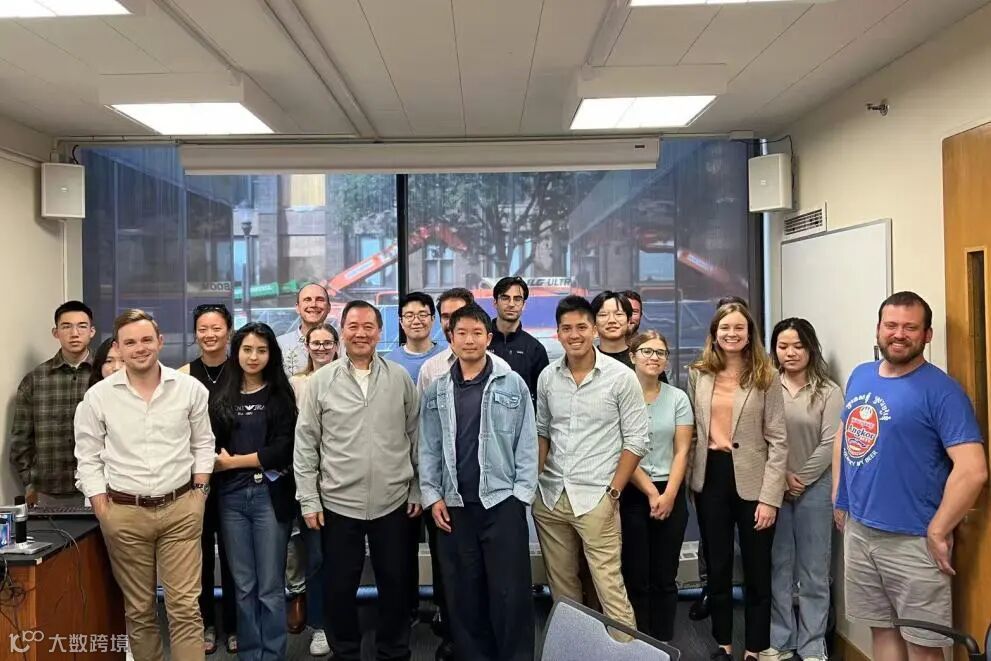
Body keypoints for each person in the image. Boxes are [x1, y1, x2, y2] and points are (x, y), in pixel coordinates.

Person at [833, 292, 987, 661]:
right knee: (882, 630)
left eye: (910, 327)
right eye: (891, 325)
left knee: (924, 646)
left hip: (913, 540)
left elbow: (973, 469)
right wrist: (840, 497)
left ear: (927, 335)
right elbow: (844, 434)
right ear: (878, 329)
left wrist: (938, 529)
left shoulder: (943, 391)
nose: (898, 334)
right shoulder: (861, 374)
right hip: (860, 532)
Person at [74, 309, 214, 661]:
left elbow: (203, 443)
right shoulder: (98, 397)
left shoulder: (189, 389)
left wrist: (199, 492)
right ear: (119, 349)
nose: (140, 348)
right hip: (124, 513)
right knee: (139, 610)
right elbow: (87, 456)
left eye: (147, 339)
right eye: (131, 342)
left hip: (181, 509)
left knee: (185, 608)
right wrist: (101, 506)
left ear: (160, 341)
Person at [294, 301, 421, 661]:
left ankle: (393, 651)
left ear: (380, 332)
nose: (361, 333)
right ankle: (346, 651)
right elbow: (306, 444)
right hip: (337, 503)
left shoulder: (399, 378)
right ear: (342, 332)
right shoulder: (321, 382)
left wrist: (417, 488)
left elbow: (416, 437)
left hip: (393, 501)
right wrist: (309, 498)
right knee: (339, 587)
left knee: (396, 584)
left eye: (368, 327)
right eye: (353, 326)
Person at [420, 304, 538, 661]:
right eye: (462, 333)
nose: (469, 340)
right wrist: (432, 496)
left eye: (476, 333)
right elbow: (428, 447)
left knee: (510, 594)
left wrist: (520, 497)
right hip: (454, 508)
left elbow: (527, 443)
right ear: (450, 339)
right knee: (463, 595)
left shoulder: (511, 383)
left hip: (501, 504)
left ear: (488, 338)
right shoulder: (437, 390)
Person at [532, 295, 649, 634]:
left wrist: (613, 493)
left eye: (581, 327)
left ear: (594, 329)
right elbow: (543, 432)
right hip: (551, 497)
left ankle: (626, 654)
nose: (574, 335)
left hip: (597, 498)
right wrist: (536, 482)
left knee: (610, 590)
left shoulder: (621, 377)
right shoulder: (548, 377)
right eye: (566, 328)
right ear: (557, 333)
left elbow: (636, 440)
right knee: (563, 594)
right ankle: (574, 651)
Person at [687, 301, 787, 661]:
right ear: (714, 333)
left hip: (755, 481)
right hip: (710, 477)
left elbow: (778, 440)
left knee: (757, 568)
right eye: (725, 328)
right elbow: (694, 432)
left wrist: (770, 498)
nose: (732, 334)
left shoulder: (766, 375)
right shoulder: (699, 373)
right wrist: (692, 480)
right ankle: (724, 643)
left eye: (739, 328)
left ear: (749, 333)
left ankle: (755, 647)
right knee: (718, 566)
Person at [210, 322, 298, 661]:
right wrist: (229, 464)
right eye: (247, 349)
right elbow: (212, 446)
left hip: (268, 496)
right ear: (236, 353)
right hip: (230, 499)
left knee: (270, 585)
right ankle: (249, 653)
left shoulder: (279, 395)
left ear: (271, 354)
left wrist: (234, 462)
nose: (253, 356)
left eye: (261, 350)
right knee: (243, 585)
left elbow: (282, 450)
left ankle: (272, 654)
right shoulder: (222, 396)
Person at [763, 318, 842, 661]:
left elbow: (831, 442)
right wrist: (781, 477)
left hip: (816, 488)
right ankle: (781, 640)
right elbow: (758, 437)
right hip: (773, 487)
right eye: (783, 346)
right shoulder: (765, 386)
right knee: (778, 566)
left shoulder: (828, 391)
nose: (790, 353)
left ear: (811, 349)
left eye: (798, 346)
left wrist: (800, 479)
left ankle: (812, 644)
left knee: (814, 570)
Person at [620, 330, 693, 642]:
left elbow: (682, 451)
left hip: (671, 490)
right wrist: (651, 492)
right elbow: (620, 449)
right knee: (636, 575)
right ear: (632, 356)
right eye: (647, 351)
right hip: (632, 490)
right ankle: (638, 643)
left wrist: (668, 495)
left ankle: (663, 643)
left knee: (665, 575)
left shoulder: (678, 398)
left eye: (660, 352)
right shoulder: (620, 397)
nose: (654, 357)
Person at [179, 303, 239, 655]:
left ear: (228, 331)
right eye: (203, 329)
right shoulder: (183, 374)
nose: (210, 334)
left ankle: (234, 625)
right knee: (197, 558)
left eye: (216, 328)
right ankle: (205, 625)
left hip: (235, 476)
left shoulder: (242, 369)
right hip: (194, 480)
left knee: (234, 558)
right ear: (196, 333)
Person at [10, 301, 95, 507]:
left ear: (91, 332)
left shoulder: (105, 375)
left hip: (99, 488)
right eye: (66, 326)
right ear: (55, 333)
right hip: (48, 490)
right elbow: (21, 439)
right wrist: (29, 483)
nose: (74, 333)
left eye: (82, 326)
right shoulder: (35, 379)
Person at [287, 322, 338, 657]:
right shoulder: (296, 383)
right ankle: (319, 626)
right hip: (310, 483)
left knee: (342, 558)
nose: (321, 348)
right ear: (306, 346)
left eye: (327, 342)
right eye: (315, 343)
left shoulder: (349, 379)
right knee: (316, 557)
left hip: (345, 483)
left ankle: (341, 621)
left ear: (336, 345)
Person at [489, 276, 550, 407]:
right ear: (495, 302)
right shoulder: (481, 342)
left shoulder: (535, 349)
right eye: (505, 298)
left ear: (524, 305)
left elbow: (542, 399)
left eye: (517, 299)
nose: (511, 304)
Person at [386, 291, 446, 383]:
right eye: (409, 316)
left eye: (423, 315)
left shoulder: (447, 358)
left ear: (433, 319)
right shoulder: (388, 362)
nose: (416, 321)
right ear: (401, 321)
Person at [276, 282, 331, 376]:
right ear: (297, 307)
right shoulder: (279, 345)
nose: (313, 304)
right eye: (307, 300)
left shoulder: (341, 347)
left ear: (329, 307)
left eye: (320, 299)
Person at [591, 291, 634, 368]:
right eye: (603, 315)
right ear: (594, 322)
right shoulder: (587, 361)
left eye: (619, 314)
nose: (612, 320)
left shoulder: (640, 360)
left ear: (629, 321)